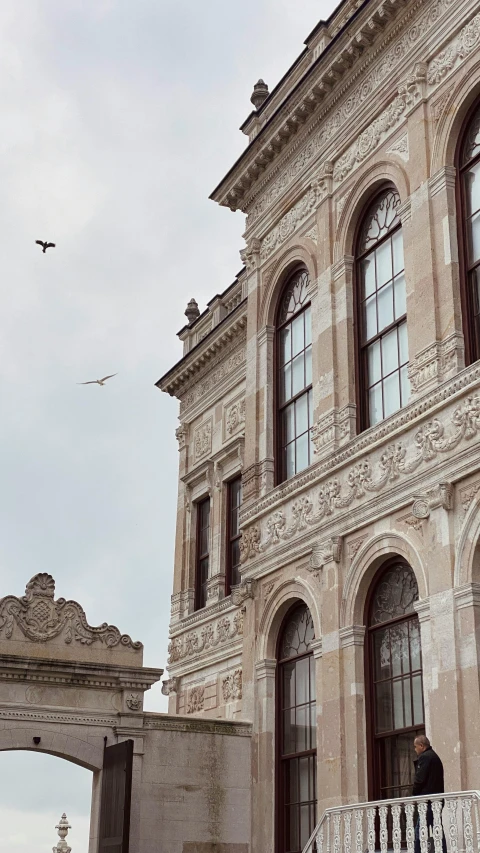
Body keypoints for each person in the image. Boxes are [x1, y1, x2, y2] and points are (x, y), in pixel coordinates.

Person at [413, 735, 447, 853]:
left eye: (415, 747)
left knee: (419, 831)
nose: (415, 749)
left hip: (428, 802)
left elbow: (419, 780)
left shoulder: (425, 757)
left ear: (421, 746)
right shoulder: (434, 757)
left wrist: (414, 795)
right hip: (436, 800)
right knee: (438, 830)